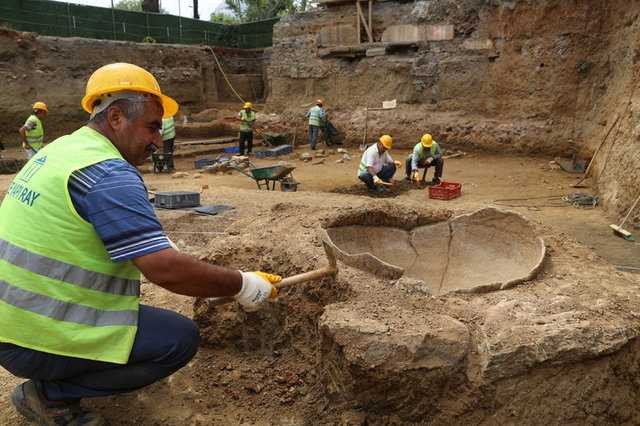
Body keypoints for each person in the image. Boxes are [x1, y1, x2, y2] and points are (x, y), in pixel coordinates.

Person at [0, 63, 281, 426]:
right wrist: (243, 285)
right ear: (116, 117)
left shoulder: (62, 149)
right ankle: (51, 395)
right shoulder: (108, 172)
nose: (158, 140)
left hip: (13, 320)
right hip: (33, 334)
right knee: (177, 340)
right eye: (152, 127)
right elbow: (164, 269)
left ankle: (59, 375)